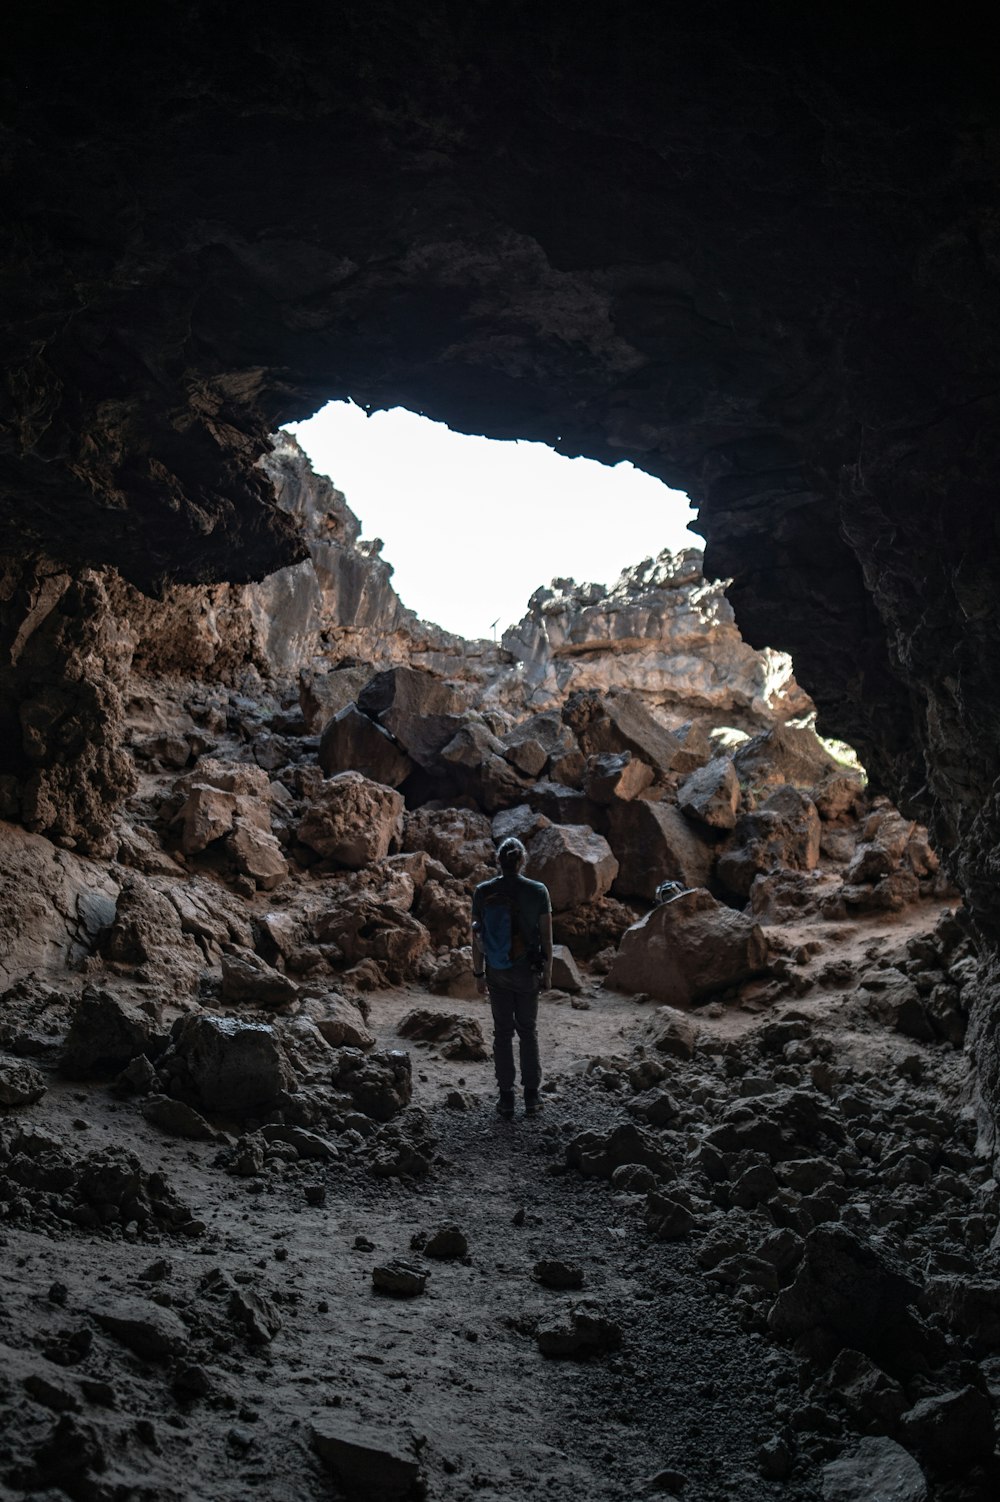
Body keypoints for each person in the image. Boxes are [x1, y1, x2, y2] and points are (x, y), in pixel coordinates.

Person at [471, 836, 552, 1120]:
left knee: (502, 1033)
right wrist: (548, 973)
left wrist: (478, 973)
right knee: (528, 1031)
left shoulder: (483, 891)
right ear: (522, 861)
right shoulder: (538, 891)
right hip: (527, 971)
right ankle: (532, 1097)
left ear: (498, 861)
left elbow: (477, 936)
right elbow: (546, 938)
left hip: (497, 971)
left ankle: (506, 1099)